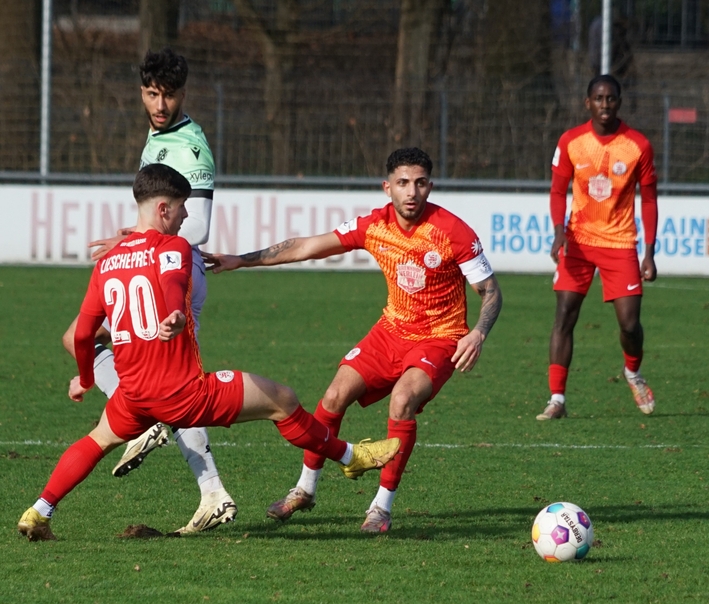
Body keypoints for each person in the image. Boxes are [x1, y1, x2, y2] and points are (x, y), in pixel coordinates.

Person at [18, 165, 399, 542]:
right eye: (182, 206)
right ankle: (351, 458)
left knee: (96, 441)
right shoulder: (173, 247)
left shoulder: (107, 261)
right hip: (184, 395)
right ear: (163, 209)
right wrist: (175, 314)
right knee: (282, 400)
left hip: (132, 396)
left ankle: (39, 511)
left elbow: (82, 335)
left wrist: (86, 380)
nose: (187, 216)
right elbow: (172, 281)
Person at [203, 148, 502, 534]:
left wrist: (478, 333)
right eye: (403, 183)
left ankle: (381, 507)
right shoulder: (374, 225)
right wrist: (242, 260)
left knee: (402, 400)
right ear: (387, 187)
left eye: (420, 183)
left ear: (430, 186)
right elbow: (305, 246)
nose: (411, 192)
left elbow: (490, 291)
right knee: (333, 396)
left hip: (439, 338)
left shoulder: (453, 232)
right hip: (390, 331)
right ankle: (304, 489)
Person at [60, 48, 231, 535]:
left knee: (146, 372)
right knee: (83, 339)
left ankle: (157, 426)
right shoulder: (159, 135)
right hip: (156, 265)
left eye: (169, 95)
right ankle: (210, 491)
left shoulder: (190, 147)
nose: (160, 104)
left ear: (183, 94)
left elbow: (197, 226)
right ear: (142, 91)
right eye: (152, 94)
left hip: (174, 270)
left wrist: (135, 241)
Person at [537, 74, 658, 421]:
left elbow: (649, 200)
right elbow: (557, 191)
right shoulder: (571, 141)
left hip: (620, 242)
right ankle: (557, 399)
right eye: (599, 98)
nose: (605, 104)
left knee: (629, 325)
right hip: (578, 241)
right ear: (587, 103)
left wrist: (649, 253)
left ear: (619, 102)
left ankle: (633, 372)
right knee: (564, 315)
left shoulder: (638, 145)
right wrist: (559, 232)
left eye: (611, 98)